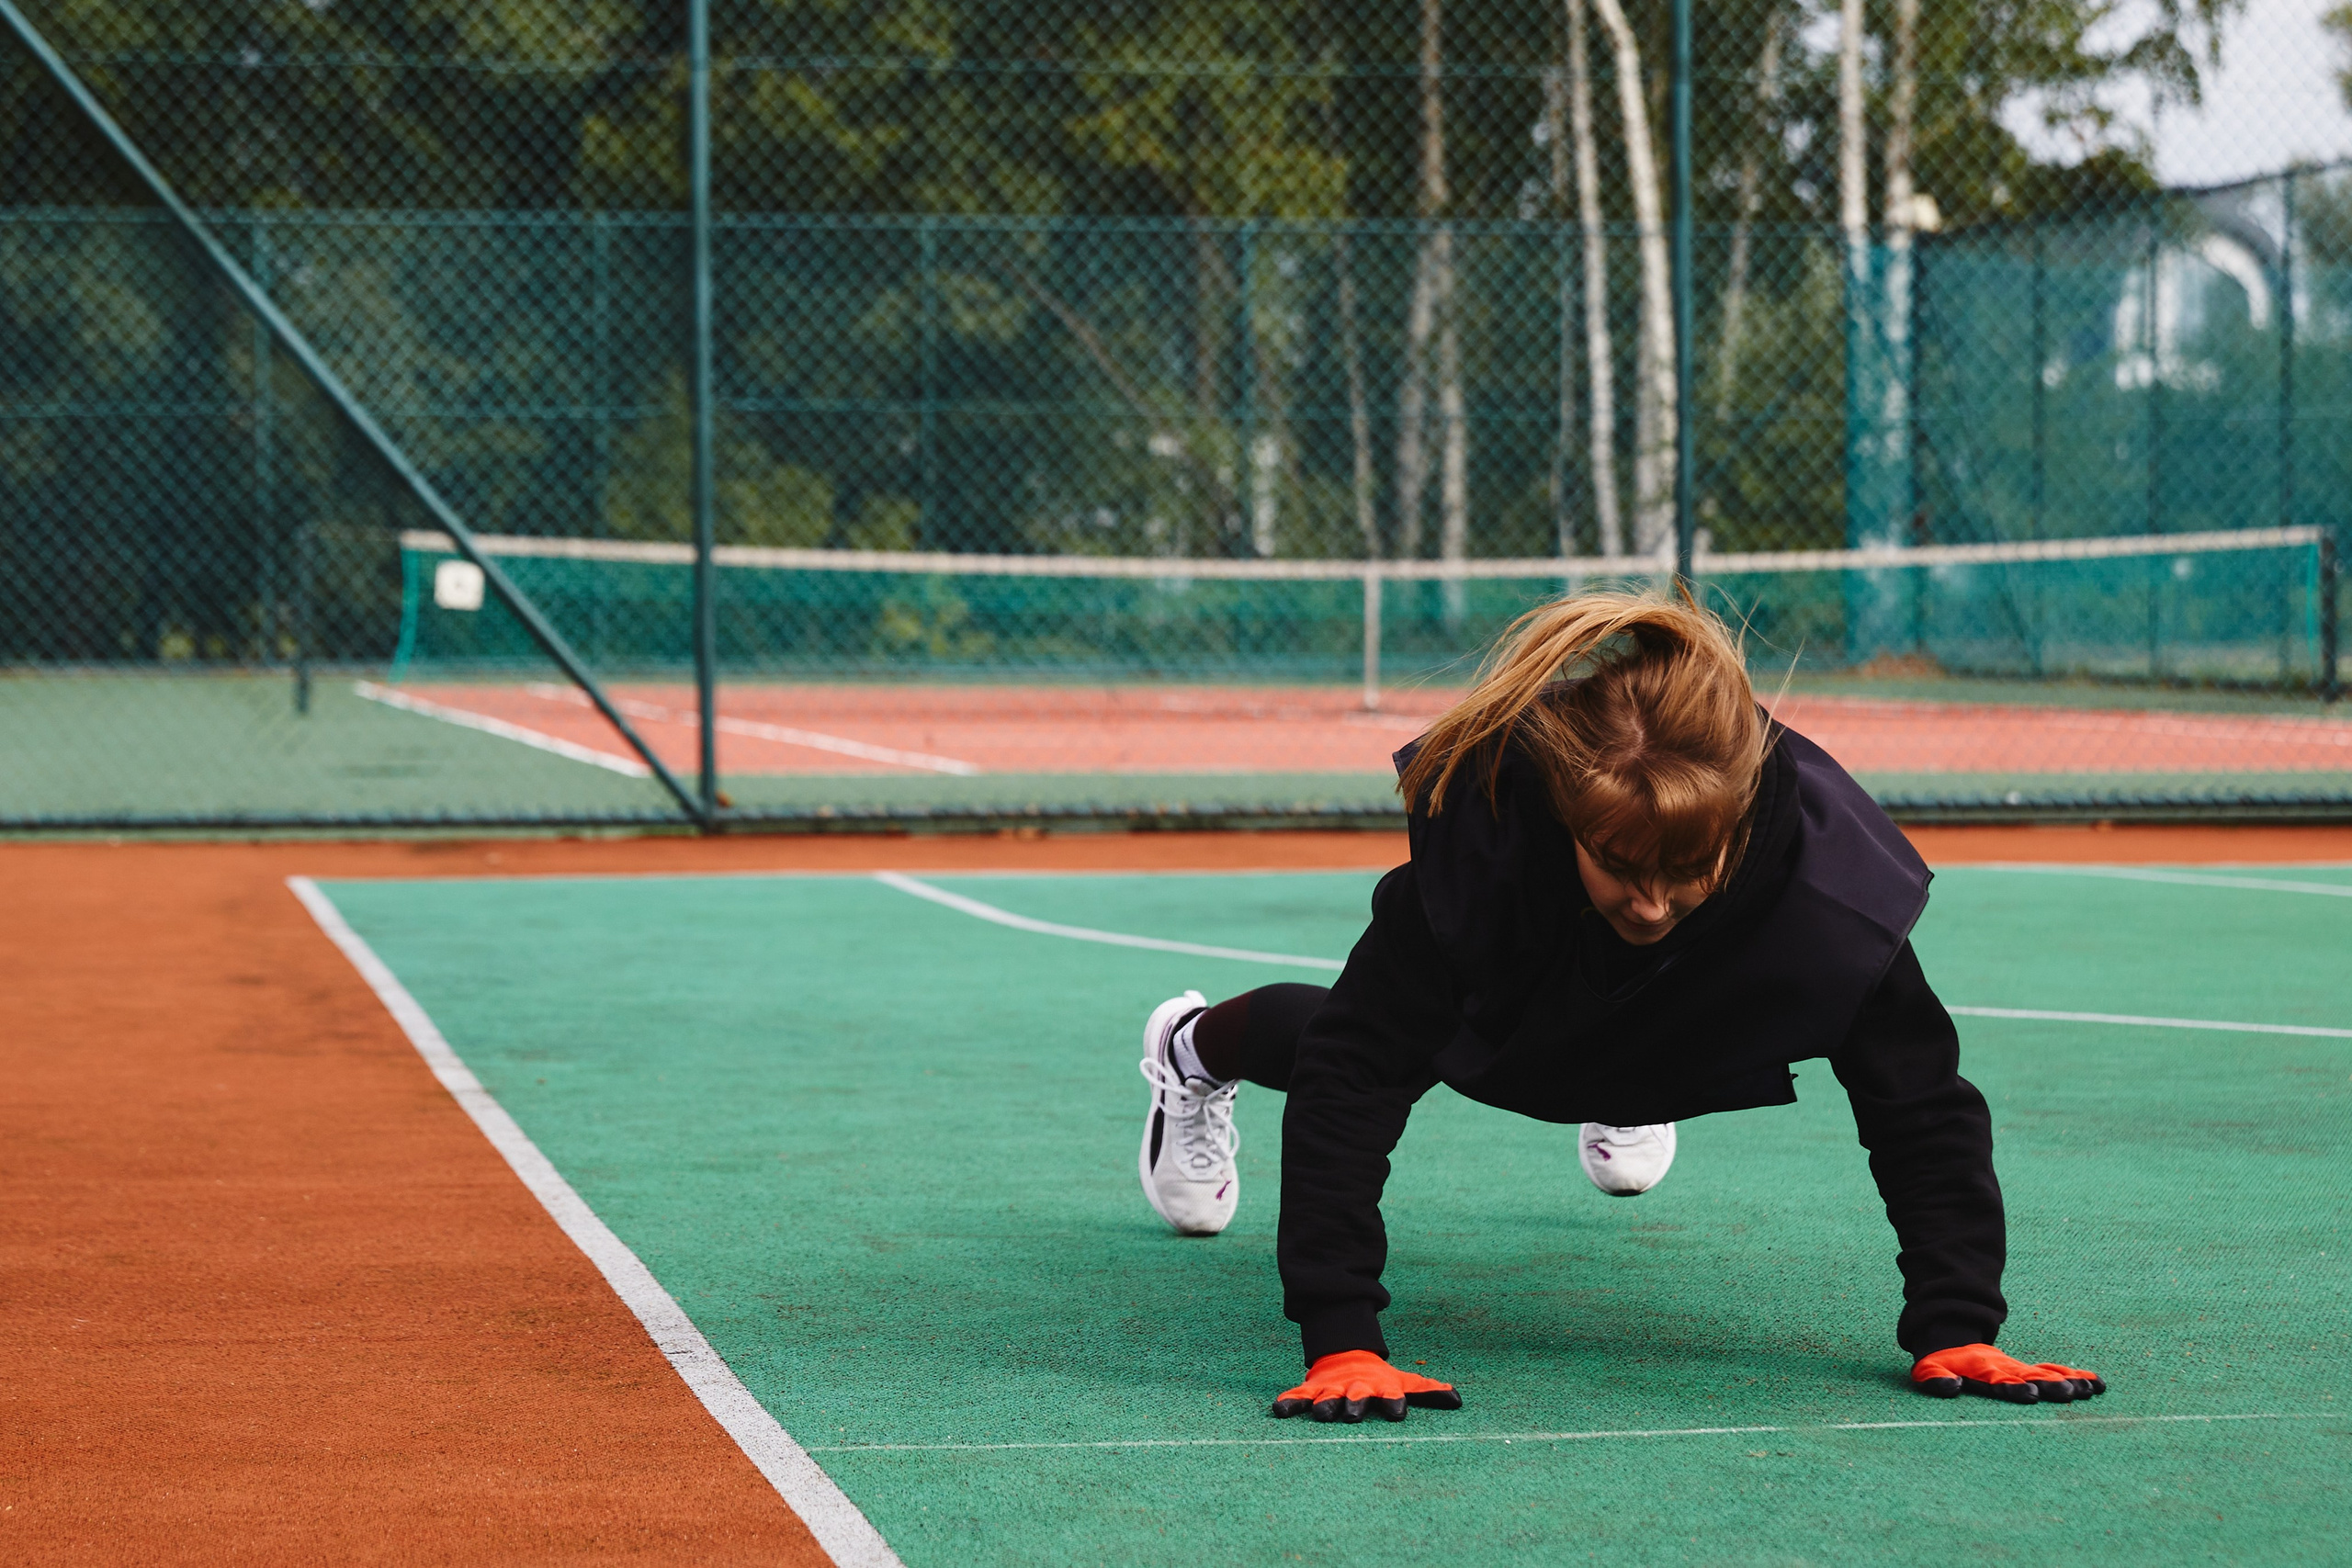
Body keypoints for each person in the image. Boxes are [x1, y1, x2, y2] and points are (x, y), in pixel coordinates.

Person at [1135, 592, 2106, 1424]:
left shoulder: (1825, 893)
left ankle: (1630, 1078)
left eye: (1684, 871)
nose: (1649, 903)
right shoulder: (1490, 846)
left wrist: (1957, 1326)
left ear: (1731, 831)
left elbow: (1920, 1105)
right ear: (1571, 821)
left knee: (1672, 987)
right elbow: (1353, 1073)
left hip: (1688, 1013)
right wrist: (1341, 1337)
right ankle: (1187, 1049)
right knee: (1340, 1037)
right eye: (1619, 866)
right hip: (1534, 996)